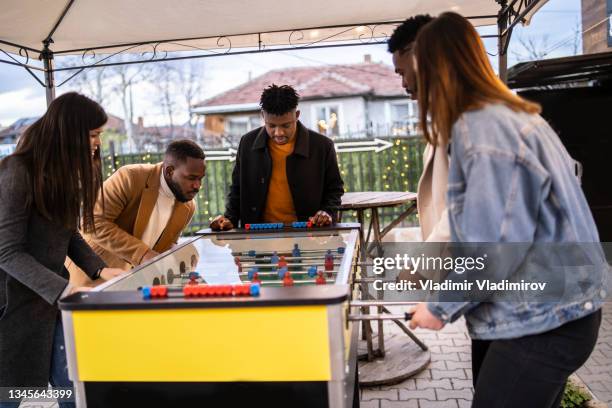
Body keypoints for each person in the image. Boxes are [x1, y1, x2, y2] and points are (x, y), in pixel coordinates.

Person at [407, 13, 606, 408]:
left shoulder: (482, 129)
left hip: (546, 321)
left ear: (435, 71)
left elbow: (496, 246)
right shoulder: (511, 116)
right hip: (560, 311)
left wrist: (438, 306)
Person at [0, 92, 125, 407]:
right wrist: (62, 290)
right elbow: (7, 251)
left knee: (74, 389)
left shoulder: (62, 175)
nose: (97, 142)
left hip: (52, 304)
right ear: (69, 132)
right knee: (9, 395)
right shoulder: (17, 170)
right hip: (14, 306)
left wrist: (98, 268)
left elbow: (66, 232)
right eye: (93, 134)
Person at [67, 139, 206, 285]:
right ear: (170, 171)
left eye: (200, 179)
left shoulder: (188, 206)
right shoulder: (130, 177)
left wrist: (183, 254)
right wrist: (144, 254)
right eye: (191, 178)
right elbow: (92, 223)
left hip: (133, 288)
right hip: (92, 280)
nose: (197, 186)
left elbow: (165, 248)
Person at [210, 84, 344, 230]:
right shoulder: (247, 143)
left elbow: (334, 189)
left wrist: (327, 211)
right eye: (271, 126)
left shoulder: (322, 146)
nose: (278, 133)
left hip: (309, 232)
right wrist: (229, 219)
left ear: (297, 115)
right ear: (263, 116)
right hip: (257, 233)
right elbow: (237, 189)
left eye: (286, 126)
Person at [388, 14, 450, 243]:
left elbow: (464, 216)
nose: (404, 84)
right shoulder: (447, 125)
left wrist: (420, 269)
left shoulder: (475, 125)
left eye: (403, 72)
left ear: (422, 59)